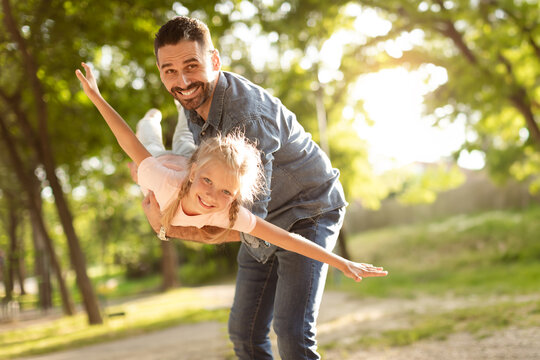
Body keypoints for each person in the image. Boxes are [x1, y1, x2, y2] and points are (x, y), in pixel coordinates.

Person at [135, 16, 384, 359]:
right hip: (264, 217)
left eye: (192, 66)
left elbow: (250, 223)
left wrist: (174, 229)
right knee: (245, 334)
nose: (183, 81)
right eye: (170, 72)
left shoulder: (245, 120)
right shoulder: (195, 104)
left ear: (214, 61)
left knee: (293, 333)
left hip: (307, 210)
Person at [75, 62, 387, 280]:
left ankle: (182, 117)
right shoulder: (161, 179)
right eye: (210, 184)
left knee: (185, 140)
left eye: (227, 192)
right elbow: (125, 138)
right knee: (149, 141)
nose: (212, 197)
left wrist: (341, 262)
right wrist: (96, 97)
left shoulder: (232, 212)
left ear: (237, 196)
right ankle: (158, 116)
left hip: (194, 165)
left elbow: (289, 239)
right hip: (170, 168)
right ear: (198, 173)